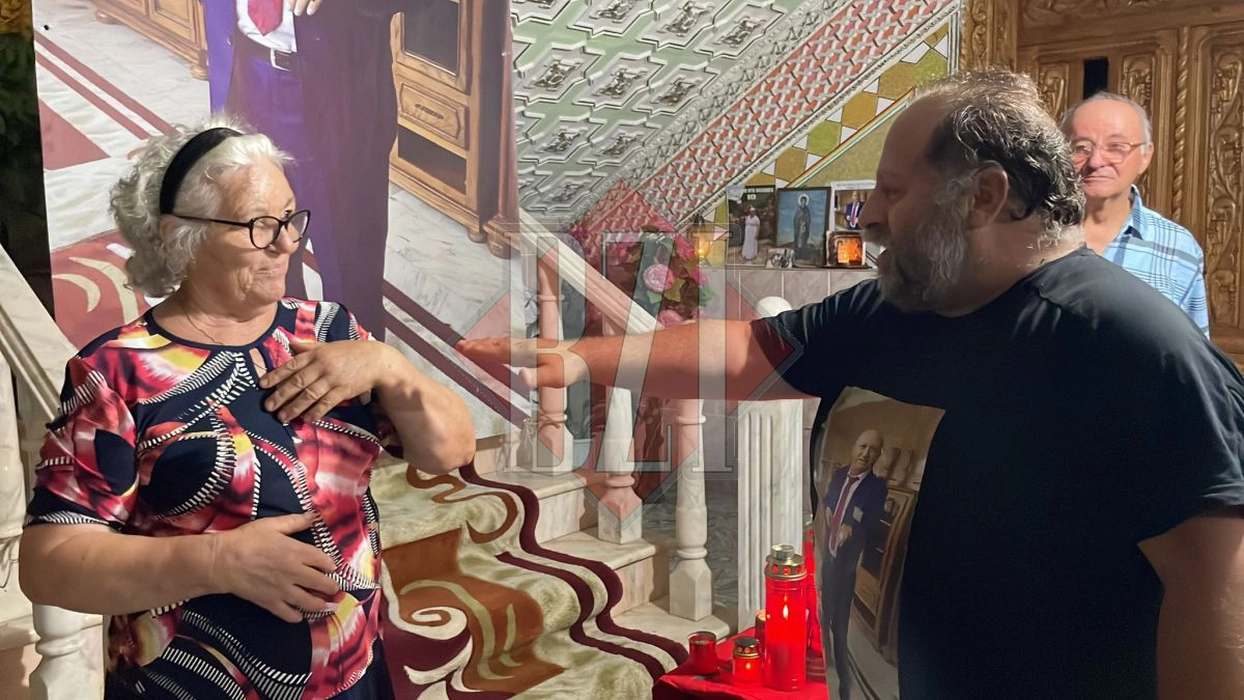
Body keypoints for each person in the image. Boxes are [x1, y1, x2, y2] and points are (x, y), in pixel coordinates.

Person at [458, 69, 1244, 699]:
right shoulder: (900, 304)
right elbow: (749, 354)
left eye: (893, 192)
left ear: (984, 196)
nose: (867, 216)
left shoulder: (1126, 345)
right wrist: (581, 360)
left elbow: (1218, 588)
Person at [19, 119, 476, 699]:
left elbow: (450, 451)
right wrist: (217, 560)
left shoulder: (329, 330)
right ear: (181, 235)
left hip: (352, 670)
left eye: (289, 218)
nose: (288, 243)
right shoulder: (118, 371)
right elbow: (50, 563)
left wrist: (392, 367)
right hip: (192, 684)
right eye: (260, 225)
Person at [201, 0, 402, 339]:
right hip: (241, 78)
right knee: (261, 245)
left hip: (337, 98)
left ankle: (356, 357)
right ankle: (284, 342)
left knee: (348, 256)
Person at [1061, 92, 1209, 335]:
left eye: (1116, 148)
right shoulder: (1030, 234)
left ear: (1145, 156)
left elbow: (1192, 351)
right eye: (1081, 147)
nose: (1096, 161)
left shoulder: (1178, 248)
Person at [818, 429, 889, 698]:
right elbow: (831, 497)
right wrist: (829, 507)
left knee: (841, 613)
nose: (865, 453)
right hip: (829, 552)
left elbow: (871, 520)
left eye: (872, 449)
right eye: (862, 446)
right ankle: (824, 655)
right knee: (824, 605)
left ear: (878, 455)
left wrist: (852, 525)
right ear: (854, 447)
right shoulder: (839, 475)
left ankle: (843, 676)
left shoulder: (877, 488)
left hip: (849, 562)